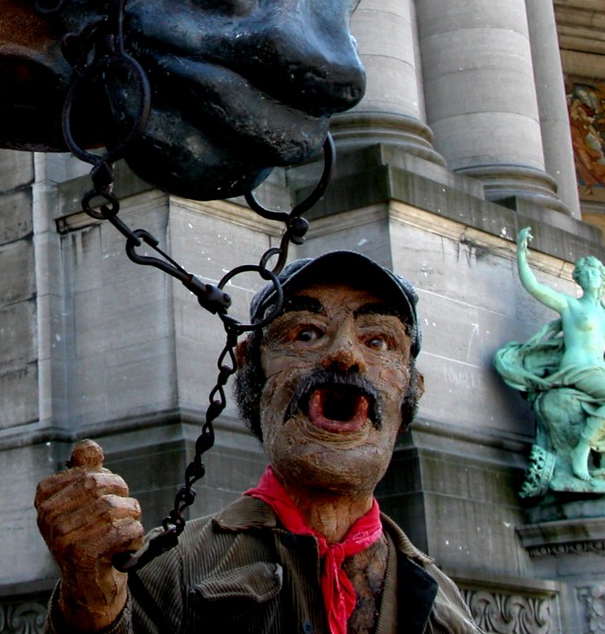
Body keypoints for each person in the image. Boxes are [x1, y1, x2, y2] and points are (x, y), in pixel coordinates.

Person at [34, 251, 479, 633]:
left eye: (378, 340)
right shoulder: (165, 572)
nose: (344, 353)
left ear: (410, 390)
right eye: (305, 333)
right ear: (250, 368)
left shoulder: (443, 603)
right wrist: (92, 607)